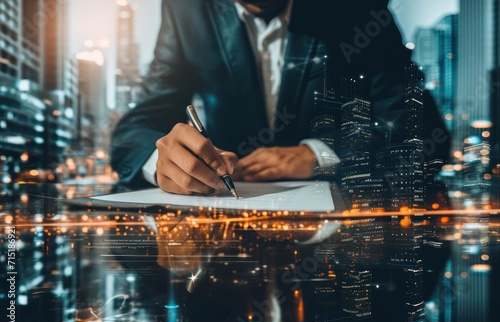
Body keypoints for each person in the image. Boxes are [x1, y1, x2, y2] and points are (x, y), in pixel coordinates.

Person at [111, 0, 450, 194]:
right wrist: (163, 163)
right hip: (228, 238)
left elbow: (422, 133)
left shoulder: (356, 8)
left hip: (341, 249)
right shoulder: (187, 9)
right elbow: (136, 129)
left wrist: (321, 156)